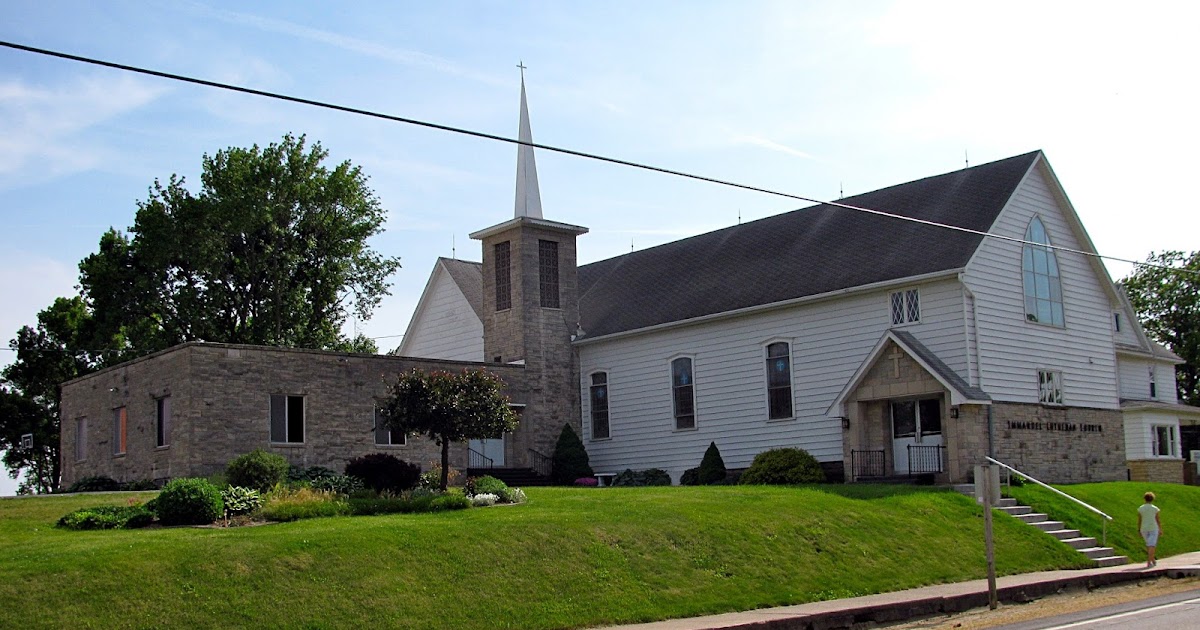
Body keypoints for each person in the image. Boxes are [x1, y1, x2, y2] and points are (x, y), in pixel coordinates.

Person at [1137, 491, 1163, 568]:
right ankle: (1149, 561)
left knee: (1149, 545)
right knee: (1152, 545)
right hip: (1153, 528)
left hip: (1144, 528)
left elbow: (1139, 520)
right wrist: (1160, 529)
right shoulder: (1155, 508)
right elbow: (1158, 519)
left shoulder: (1141, 508)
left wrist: (1139, 529)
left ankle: (1152, 560)